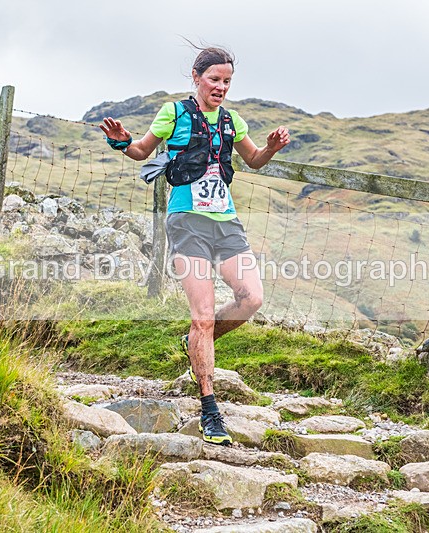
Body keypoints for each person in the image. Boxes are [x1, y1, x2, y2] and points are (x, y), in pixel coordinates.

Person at [100, 46, 291, 445]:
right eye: (214, 80)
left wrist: (272, 146)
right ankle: (209, 408)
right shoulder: (174, 113)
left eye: (227, 82)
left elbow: (253, 160)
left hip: (226, 222)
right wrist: (123, 141)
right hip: (187, 222)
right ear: (196, 77)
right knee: (202, 313)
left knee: (251, 298)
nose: (221, 87)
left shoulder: (232, 120)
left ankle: (194, 343)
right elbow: (141, 152)